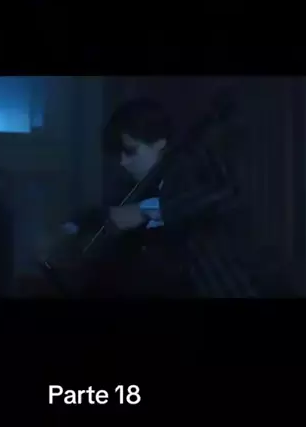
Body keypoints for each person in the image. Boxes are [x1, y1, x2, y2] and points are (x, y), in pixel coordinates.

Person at [48, 98, 293, 298]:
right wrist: (72, 227)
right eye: (119, 153)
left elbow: (218, 195)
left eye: (131, 151)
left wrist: (144, 212)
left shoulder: (192, 169)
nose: (123, 162)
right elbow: (107, 213)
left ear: (159, 143)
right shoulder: (136, 187)